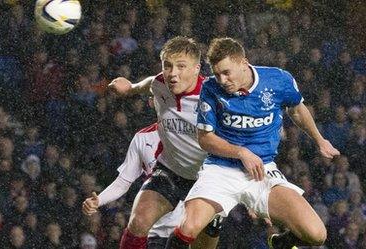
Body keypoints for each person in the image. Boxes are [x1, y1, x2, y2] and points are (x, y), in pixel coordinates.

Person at [166, 37, 340, 249]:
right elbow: (205, 139)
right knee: (187, 229)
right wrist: (241, 152)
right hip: (221, 170)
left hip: (263, 170)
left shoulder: (278, 80)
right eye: (217, 73)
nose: (222, 80)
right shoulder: (211, 88)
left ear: (243, 63)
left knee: (316, 234)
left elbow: (296, 109)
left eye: (226, 72)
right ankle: (213, 218)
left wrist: (320, 140)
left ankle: (280, 243)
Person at [88, 36, 221, 249]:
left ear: (197, 69)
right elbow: (148, 84)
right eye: (167, 66)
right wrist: (129, 88)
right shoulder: (160, 83)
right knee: (138, 222)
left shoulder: (214, 96)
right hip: (170, 171)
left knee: (198, 240)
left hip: (208, 179)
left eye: (181, 66)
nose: (172, 74)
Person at [82, 122, 221, 249]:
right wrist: (99, 200)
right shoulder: (143, 138)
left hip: (188, 231)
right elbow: (123, 181)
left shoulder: (203, 137)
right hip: (156, 232)